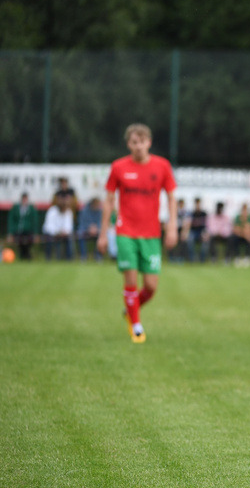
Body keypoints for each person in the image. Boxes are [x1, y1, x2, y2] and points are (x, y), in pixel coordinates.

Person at [97, 123, 178, 344]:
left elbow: (171, 198)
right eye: (134, 142)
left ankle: (130, 309)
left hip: (151, 234)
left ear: (149, 143)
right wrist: (103, 234)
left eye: (142, 141)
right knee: (131, 280)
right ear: (128, 145)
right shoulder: (118, 167)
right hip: (126, 232)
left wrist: (172, 227)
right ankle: (136, 325)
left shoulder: (162, 166)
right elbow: (108, 201)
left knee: (151, 287)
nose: (139, 146)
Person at [42, 192, 75, 260]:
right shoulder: (52, 211)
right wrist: (57, 232)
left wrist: (65, 232)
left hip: (63, 235)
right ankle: (48, 258)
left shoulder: (68, 212)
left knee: (69, 239)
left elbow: (69, 227)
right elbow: (48, 226)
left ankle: (69, 259)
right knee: (49, 239)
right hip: (52, 234)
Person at [7, 192, 39, 260]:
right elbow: (11, 221)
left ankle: (26, 256)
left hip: (28, 232)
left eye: (26, 199)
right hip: (18, 231)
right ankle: (24, 256)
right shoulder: (15, 208)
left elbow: (34, 221)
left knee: (27, 243)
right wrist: (10, 233)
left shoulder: (31, 209)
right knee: (20, 242)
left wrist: (35, 233)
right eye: (23, 199)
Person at [77, 197, 104, 261]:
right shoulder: (84, 211)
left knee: (101, 236)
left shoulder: (99, 211)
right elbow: (82, 223)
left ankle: (98, 255)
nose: (98, 206)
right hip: (85, 230)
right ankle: (83, 256)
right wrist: (89, 228)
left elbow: (100, 222)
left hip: (96, 230)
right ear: (92, 204)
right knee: (80, 235)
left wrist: (96, 228)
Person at [184, 197, 209, 263]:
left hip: (202, 232)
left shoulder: (204, 214)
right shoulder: (191, 213)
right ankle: (192, 259)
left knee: (205, 242)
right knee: (190, 239)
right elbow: (188, 224)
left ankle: (202, 259)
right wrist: (185, 233)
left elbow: (207, 226)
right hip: (193, 232)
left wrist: (206, 234)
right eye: (196, 204)